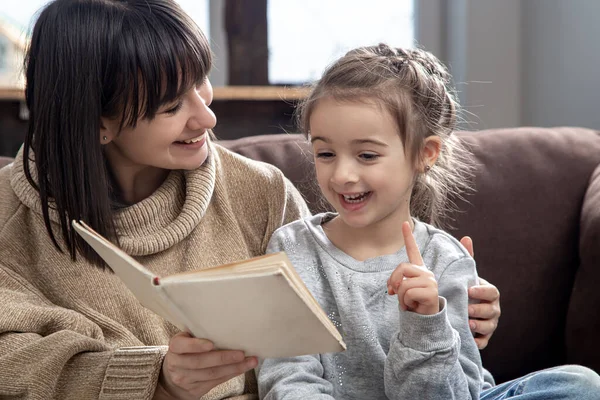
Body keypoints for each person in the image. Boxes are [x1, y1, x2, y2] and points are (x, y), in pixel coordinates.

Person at [0, 1, 501, 399]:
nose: (206, 118)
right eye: (173, 105)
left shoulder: (259, 193)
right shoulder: (11, 219)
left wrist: (445, 319)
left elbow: (328, 335)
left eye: (201, 83)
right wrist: (154, 379)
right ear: (99, 123)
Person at [256, 44, 600, 400]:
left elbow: (456, 395)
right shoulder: (292, 248)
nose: (342, 174)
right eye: (325, 153)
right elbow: (288, 379)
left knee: (579, 385)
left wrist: (426, 324)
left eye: (367, 155)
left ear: (425, 154)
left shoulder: (446, 260)